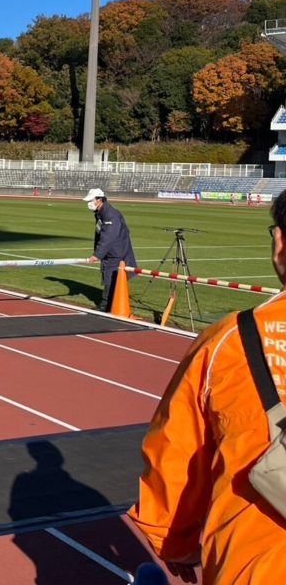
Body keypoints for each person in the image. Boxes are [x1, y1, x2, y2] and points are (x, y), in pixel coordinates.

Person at [128, 192, 286, 584]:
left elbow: (176, 453)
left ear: (280, 242)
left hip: (254, 567)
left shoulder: (230, 341)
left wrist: (173, 541)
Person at [83, 188, 136, 312]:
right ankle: (109, 303)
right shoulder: (100, 212)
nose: (89, 203)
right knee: (108, 274)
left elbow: (108, 236)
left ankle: (106, 305)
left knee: (110, 276)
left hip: (116, 251)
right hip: (111, 251)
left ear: (99, 200)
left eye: (91, 200)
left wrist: (97, 254)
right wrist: (98, 252)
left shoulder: (110, 214)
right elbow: (100, 234)